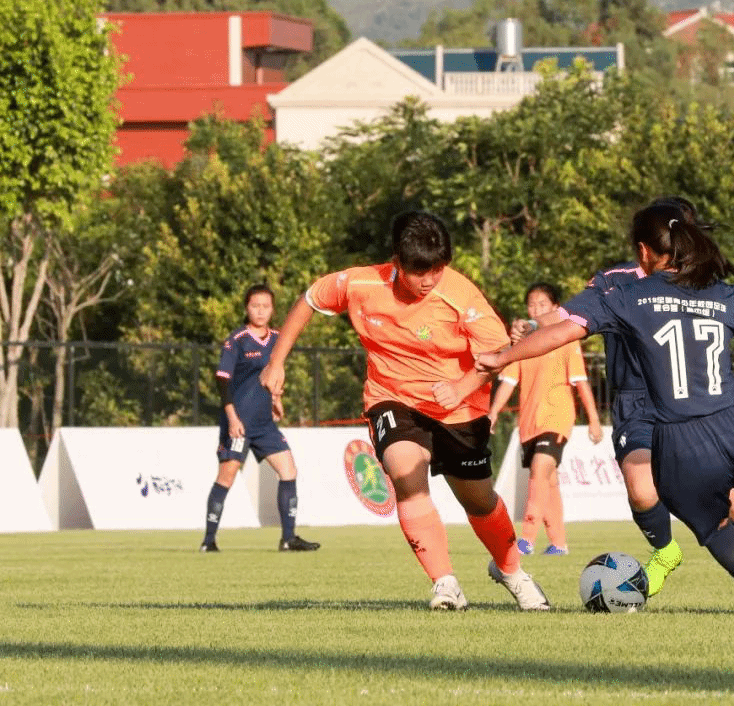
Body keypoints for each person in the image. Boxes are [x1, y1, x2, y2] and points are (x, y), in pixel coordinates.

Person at [480, 203, 734, 614]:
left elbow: (564, 330)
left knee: (716, 525)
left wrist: (503, 357)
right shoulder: (715, 291)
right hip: (733, 415)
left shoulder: (627, 296)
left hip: (678, 422)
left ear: (645, 248)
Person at [260, 211, 549, 611]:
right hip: (391, 398)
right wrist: (276, 361)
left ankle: (511, 571)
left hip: (459, 408)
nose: (429, 279)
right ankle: (445, 584)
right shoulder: (361, 283)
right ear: (396, 261)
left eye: (438, 268)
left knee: (479, 501)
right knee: (406, 474)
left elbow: (500, 353)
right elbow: (310, 299)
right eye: (419, 271)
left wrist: (462, 387)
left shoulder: (460, 295)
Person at [201, 284, 320, 553]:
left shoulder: (277, 338)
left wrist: (276, 399)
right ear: (247, 308)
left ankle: (288, 539)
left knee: (288, 470)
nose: (260, 311)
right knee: (227, 477)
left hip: (264, 424)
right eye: (255, 306)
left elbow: (273, 374)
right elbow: (222, 381)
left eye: (266, 306)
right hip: (239, 423)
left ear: (273, 309)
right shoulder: (238, 339)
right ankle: (208, 541)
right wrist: (232, 418)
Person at [488, 282, 603, 557]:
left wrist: (594, 420)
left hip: (557, 416)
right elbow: (508, 382)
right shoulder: (522, 343)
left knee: (540, 469)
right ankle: (558, 543)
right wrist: (492, 414)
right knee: (548, 481)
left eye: (542, 304)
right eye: (532, 305)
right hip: (530, 422)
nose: (536, 309)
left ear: (555, 308)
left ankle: (526, 539)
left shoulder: (567, 339)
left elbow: (581, 382)